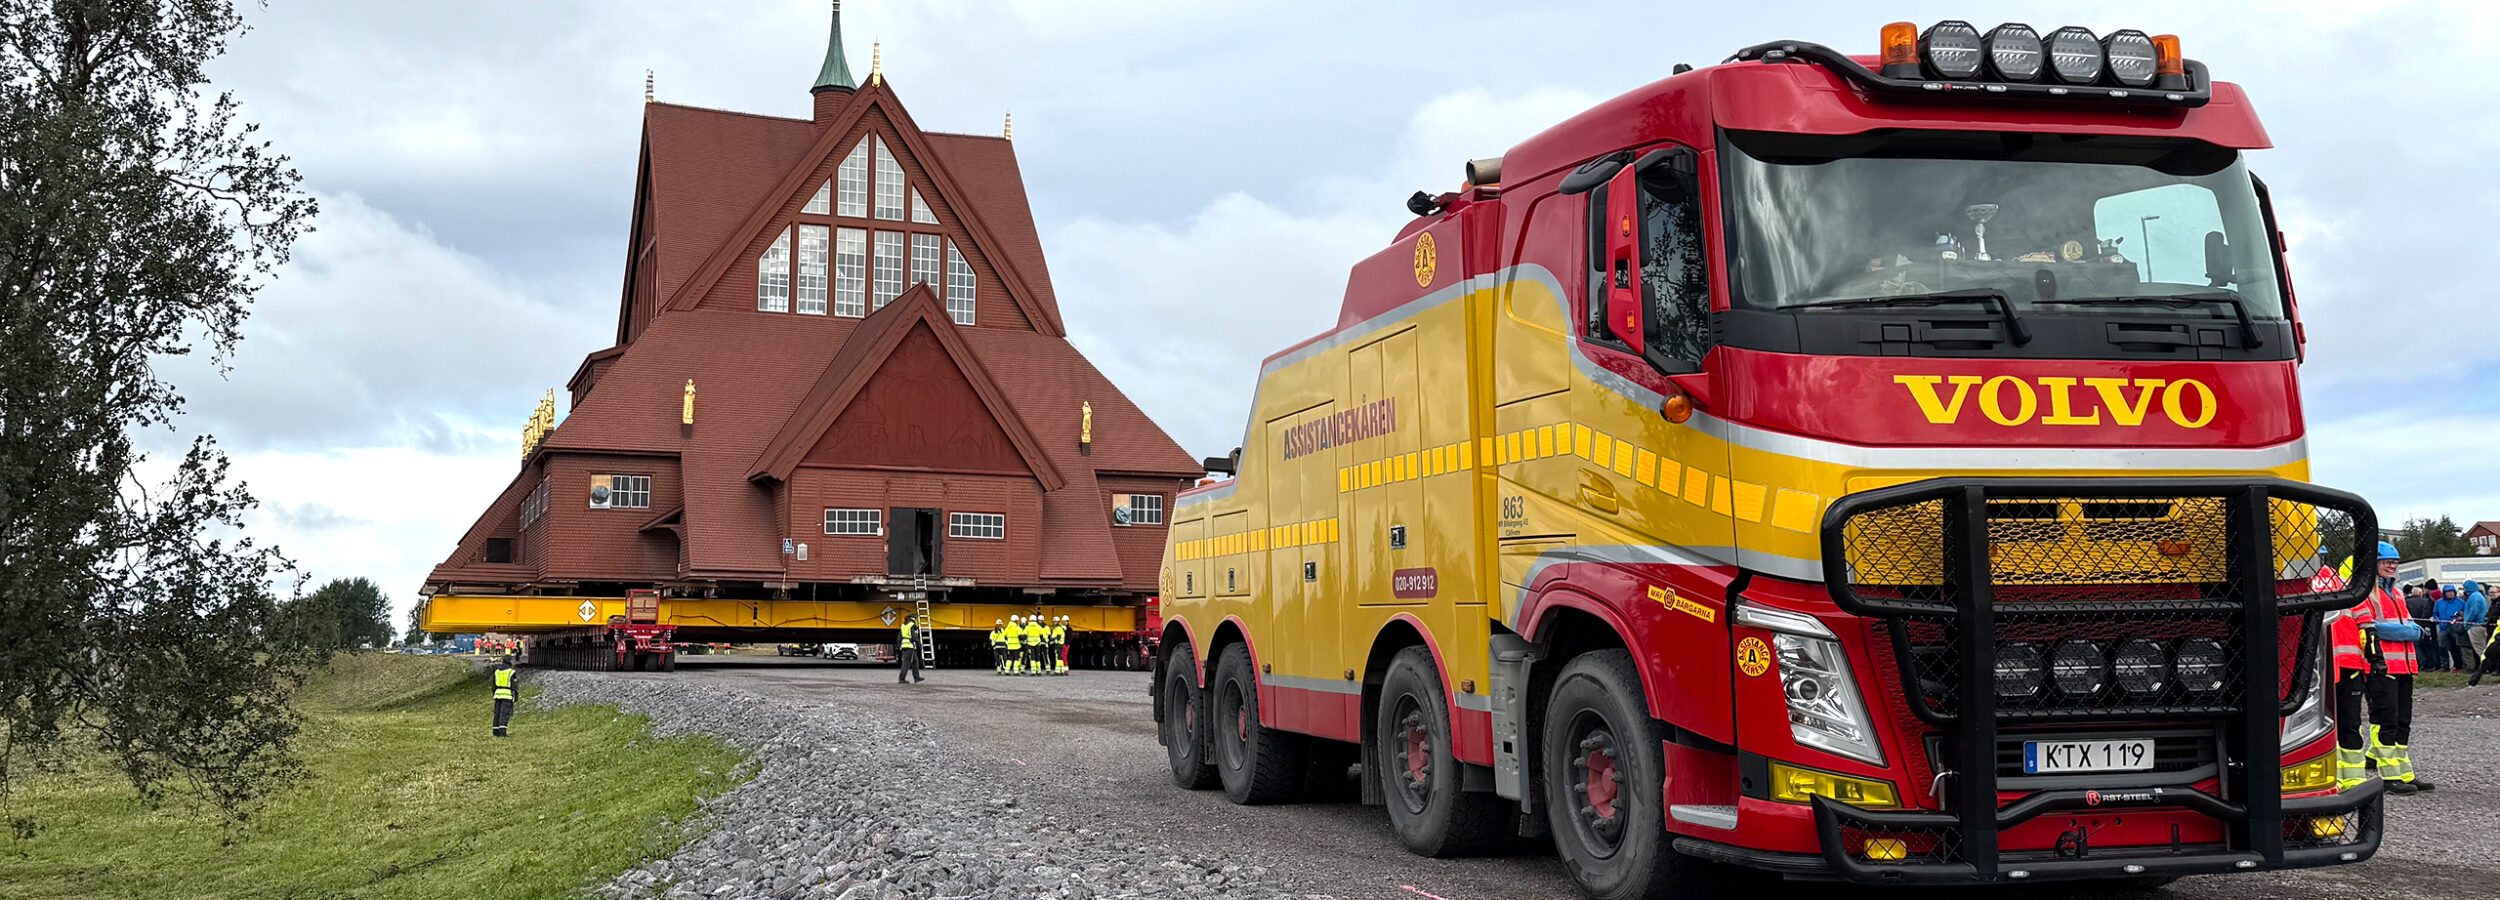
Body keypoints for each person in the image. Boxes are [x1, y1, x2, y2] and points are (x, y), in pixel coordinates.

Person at [2347, 543, 2431, 793]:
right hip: (2381, 666)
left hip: (2404, 665)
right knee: (2385, 720)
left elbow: (2406, 624)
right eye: (2386, 561)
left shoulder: (2396, 593)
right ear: (2373, 564)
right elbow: (2370, 626)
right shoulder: (2365, 592)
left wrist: (2410, 629)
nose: (2392, 565)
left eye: (2395, 561)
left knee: (2403, 721)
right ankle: (2387, 775)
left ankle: (2404, 774)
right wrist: (2408, 631)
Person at [2432, 585, 2468, 672]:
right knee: (2442, 647)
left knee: (2458, 648)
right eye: (2448, 592)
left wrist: (2461, 617)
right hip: (2443, 628)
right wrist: (2436, 619)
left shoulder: (2461, 602)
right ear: (2444, 593)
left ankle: (2461, 666)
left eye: (2452, 591)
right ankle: (2444, 666)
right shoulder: (2439, 602)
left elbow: (2466, 613)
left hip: (2456, 628)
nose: (2450, 593)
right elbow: (2435, 613)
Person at [2459, 580, 2490, 675]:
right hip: (2479, 625)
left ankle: (2486, 667)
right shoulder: (2478, 596)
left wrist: (2467, 620)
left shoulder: (2474, 597)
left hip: (2475, 626)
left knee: (2480, 648)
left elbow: (2474, 611)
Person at [491, 656, 518, 738]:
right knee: (504, 713)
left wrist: (494, 694)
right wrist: (515, 696)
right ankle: (502, 732)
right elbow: (514, 686)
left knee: (497, 713)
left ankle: (495, 731)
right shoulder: (511, 672)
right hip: (507, 694)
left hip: (497, 694)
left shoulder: (497, 672)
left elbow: (493, 685)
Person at [896, 616, 925, 684]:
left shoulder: (903, 626)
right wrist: (919, 646)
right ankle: (902, 679)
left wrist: (898, 647)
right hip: (909, 646)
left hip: (905, 646)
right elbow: (914, 637)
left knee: (915, 661)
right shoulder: (911, 625)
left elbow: (899, 637)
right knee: (906, 663)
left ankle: (916, 677)